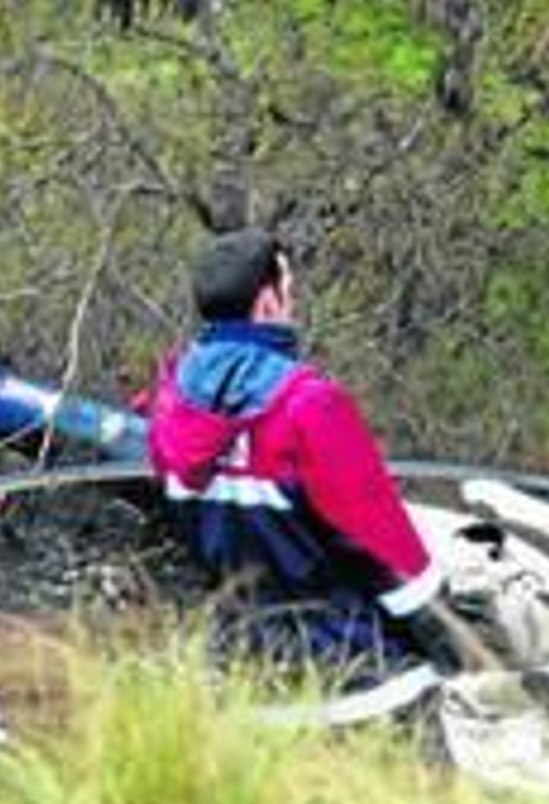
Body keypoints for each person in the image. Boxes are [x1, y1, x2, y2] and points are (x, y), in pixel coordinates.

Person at [147, 228, 460, 675]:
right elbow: (386, 552)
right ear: (268, 302)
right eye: (289, 291)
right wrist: (458, 648)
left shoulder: (171, 401)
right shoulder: (310, 405)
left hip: (236, 669)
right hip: (346, 670)